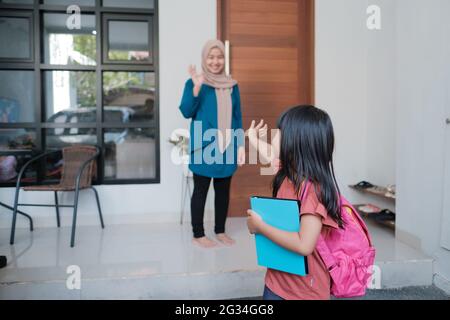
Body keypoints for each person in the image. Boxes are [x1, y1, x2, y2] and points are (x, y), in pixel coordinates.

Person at [246, 105, 344, 300]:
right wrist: (253, 138)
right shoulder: (288, 173)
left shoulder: (312, 191)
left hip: (303, 292)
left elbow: (304, 245)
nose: (274, 136)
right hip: (276, 282)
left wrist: (260, 226)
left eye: (279, 133)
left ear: (296, 143)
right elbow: (270, 154)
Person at [179, 40, 245, 248]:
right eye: (211, 57)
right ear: (204, 58)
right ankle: (198, 233)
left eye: (219, 57)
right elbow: (186, 111)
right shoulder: (194, 83)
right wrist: (197, 87)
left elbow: (237, 117)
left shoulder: (232, 86)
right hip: (203, 147)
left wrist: (241, 146)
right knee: (200, 191)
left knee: (223, 191)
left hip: (227, 146)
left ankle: (220, 230)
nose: (215, 61)